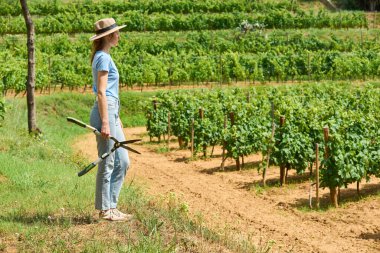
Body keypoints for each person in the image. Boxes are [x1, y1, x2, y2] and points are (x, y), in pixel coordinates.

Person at [89, 18, 131, 221]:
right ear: (108, 36)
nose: (118, 35)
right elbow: (102, 93)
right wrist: (106, 121)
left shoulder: (103, 56)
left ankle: (111, 205)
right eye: (116, 32)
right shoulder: (103, 58)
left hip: (111, 111)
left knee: (122, 160)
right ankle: (106, 209)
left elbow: (109, 94)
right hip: (105, 111)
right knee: (108, 160)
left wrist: (116, 117)